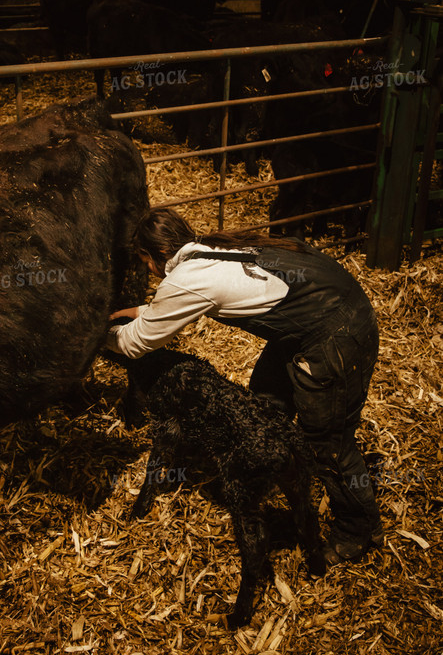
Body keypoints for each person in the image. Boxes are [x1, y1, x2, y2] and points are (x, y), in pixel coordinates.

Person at [106, 207, 383, 565]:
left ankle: (358, 529)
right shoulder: (207, 250)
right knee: (264, 404)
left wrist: (100, 336)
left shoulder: (187, 277)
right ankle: (271, 475)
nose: (146, 270)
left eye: (144, 260)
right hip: (311, 319)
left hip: (334, 334)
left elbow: (134, 344)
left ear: (157, 254)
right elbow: (183, 301)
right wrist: (142, 311)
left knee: (328, 443)